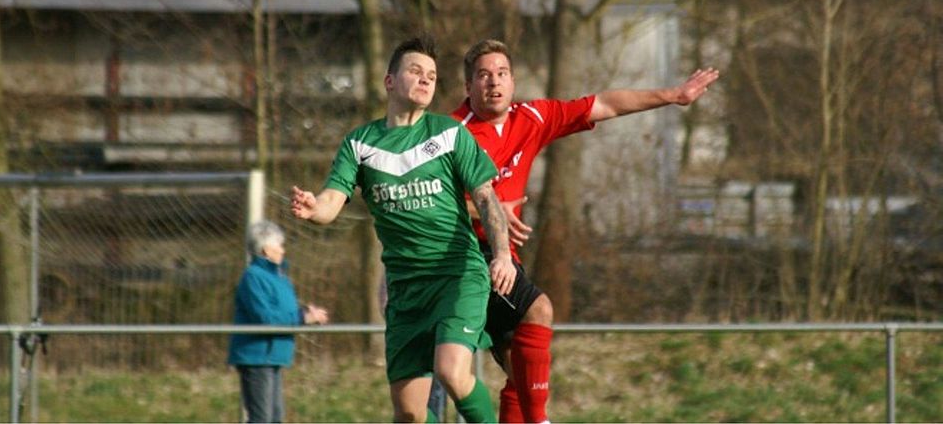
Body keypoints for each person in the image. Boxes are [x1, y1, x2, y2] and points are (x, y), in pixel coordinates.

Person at [451, 39, 720, 423]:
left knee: (520, 370)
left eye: (502, 73)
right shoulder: (451, 134)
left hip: (504, 257)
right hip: (465, 256)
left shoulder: (531, 117)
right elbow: (429, 199)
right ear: (468, 86)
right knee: (539, 312)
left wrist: (674, 95)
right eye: (483, 75)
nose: (494, 82)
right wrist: (487, 207)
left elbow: (605, 104)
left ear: (513, 82)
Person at [290, 35, 517, 423]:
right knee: (410, 415)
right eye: (415, 71)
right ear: (389, 81)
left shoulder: (449, 134)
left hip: (457, 276)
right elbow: (331, 201)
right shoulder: (360, 144)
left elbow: (486, 199)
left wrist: (501, 255)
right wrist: (314, 209)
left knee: (450, 370)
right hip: (406, 290)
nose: (426, 79)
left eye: (432, 75)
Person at [227, 220, 330, 424]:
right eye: (280, 245)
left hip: (274, 355)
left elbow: (283, 312)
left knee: (275, 418)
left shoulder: (280, 277)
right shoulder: (253, 277)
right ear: (266, 250)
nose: (283, 250)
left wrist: (305, 313)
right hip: (257, 357)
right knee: (261, 419)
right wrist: (302, 318)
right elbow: (265, 318)